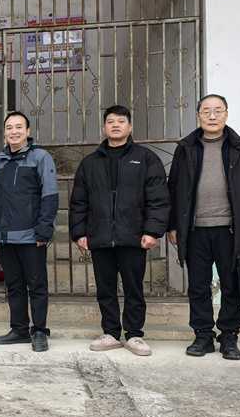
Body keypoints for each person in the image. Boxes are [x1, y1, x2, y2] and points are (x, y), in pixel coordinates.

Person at [167, 94, 240, 361]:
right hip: (195, 229)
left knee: (232, 284)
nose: (212, 116)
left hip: (232, 230)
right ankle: (202, 335)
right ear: (198, 115)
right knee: (198, 285)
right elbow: (173, 188)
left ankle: (229, 336)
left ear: (226, 114)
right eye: (206, 111)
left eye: (218, 110)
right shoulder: (186, 147)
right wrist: (173, 225)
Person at [69, 105, 170, 356]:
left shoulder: (145, 158)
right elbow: (79, 201)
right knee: (105, 289)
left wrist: (152, 231)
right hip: (100, 236)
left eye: (121, 121)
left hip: (133, 236)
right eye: (110, 121)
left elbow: (158, 198)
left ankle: (134, 334)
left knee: (134, 287)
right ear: (104, 127)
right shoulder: (90, 163)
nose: (115, 125)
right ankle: (111, 333)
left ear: (130, 126)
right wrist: (79, 233)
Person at [0, 111, 59, 352]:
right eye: (9, 127)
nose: (14, 131)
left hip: (31, 236)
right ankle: (19, 329)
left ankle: (39, 330)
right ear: (5, 132)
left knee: (37, 285)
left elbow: (50, 195)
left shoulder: (41, 157)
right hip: (5, 237)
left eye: (19, 127)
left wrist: (44, 230)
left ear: (28, 131)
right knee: (14, 286)